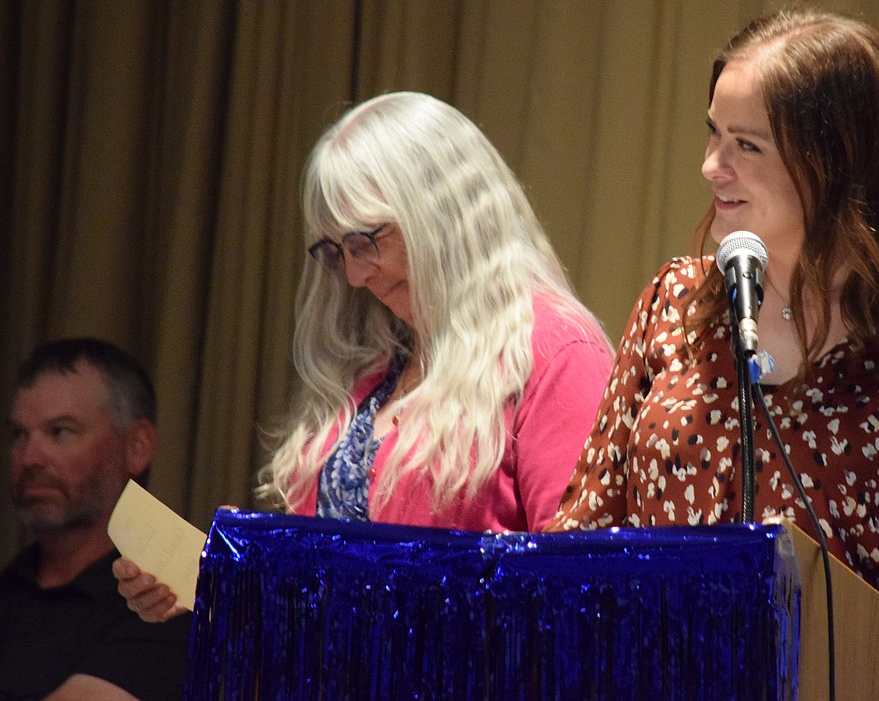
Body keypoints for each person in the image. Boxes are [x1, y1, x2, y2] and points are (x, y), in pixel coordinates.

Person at [548, 8, 879, 700]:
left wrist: (803, 656)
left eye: (746, 146)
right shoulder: (672, 306)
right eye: (713, 135)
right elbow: (588, 526)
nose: (711, 168)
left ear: (837, 162)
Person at [114, 91, 614, 622]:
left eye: (365, 242)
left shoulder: (557, 354)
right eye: (336, 252)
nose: (355, 275)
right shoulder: (379, 363)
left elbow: (579, 596)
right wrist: (222, 578)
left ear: (440, 212)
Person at [1, 338, 190, 700]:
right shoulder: (12, 586)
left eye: (60, 432)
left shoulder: (162, 601)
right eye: (18, 435)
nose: (30, 458)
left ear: (137, 446)